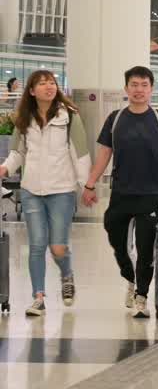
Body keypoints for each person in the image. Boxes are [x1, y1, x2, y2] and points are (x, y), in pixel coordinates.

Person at [82, 66, 158, 319]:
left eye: (144, 85)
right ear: (126, 88)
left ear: (151, 89)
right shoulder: (115, 118)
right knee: (117, 241)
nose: (139, 90)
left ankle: (141, 296)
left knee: (145, 247)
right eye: (134, 85)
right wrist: (90, 184)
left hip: (150, 193)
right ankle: (129, 277)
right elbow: (104, 154)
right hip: (120, 193)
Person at [0, 70, 90, 316]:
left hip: (61, 190)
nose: (49, 86)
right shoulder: (23, 119)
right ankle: (38, 297)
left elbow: (80, 153)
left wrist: (87, 186)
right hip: (31, 190)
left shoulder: (69, 117)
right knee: (37, 245)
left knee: (57, 247)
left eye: (52, 82)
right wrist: (5, 168)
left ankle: (67, 274)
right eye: (42, 83)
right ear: (31, 91)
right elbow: (18, 152)